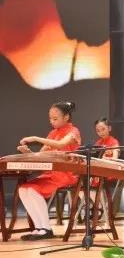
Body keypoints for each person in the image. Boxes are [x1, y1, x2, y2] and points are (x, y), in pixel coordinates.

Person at [17, 101, 81, 240]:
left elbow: (60, 144)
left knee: (32, 190)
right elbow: (40, 155)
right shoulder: (52, 133)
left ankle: (46, 228)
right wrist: (28, 153)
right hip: (52, 173)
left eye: (55, 118)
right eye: (50, 118)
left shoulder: (73, 131)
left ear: (66, 117)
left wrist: (35, 138)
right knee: (23, 189)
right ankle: (39, 227)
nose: (52, 121)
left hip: (67, 174)